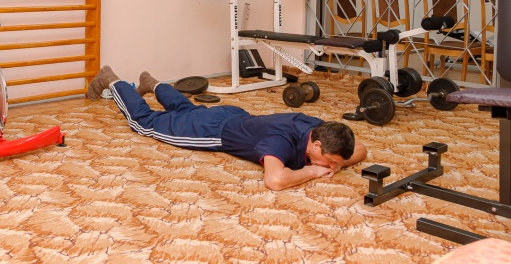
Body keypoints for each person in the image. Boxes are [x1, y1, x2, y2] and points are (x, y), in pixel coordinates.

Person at [87, 66, 367, 191]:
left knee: (186, 109)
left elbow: (361, 149)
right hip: (210, 131)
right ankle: (111, 79)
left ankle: (153, 84)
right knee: (145, 123)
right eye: (330, 161)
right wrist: (312, 171)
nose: (332, 167)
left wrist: (337, 163)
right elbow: (275, 180)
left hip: (235, 115)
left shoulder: (320, 129)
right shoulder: (280, 142)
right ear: (316, 146)